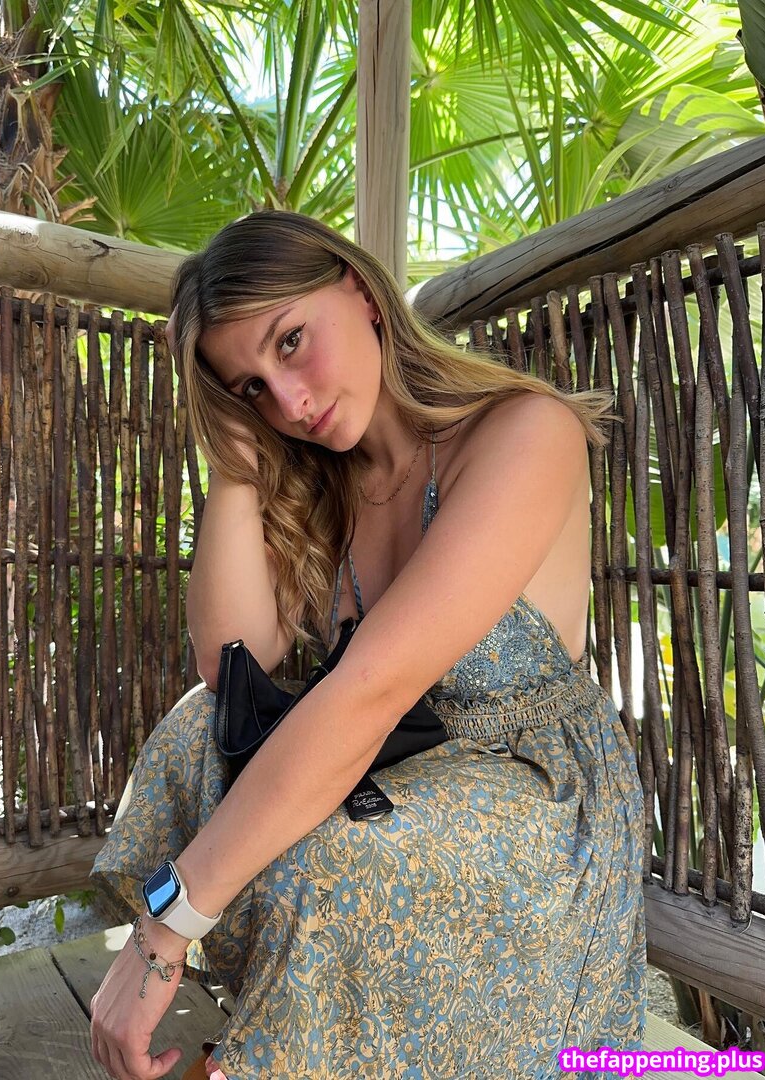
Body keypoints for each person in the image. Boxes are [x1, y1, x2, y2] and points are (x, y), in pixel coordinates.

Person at [89, 209, 646, 1080]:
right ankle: (297, 1028)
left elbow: (370, 690)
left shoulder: (524, 432)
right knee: (194, 735)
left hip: (534, 797)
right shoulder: (331, 485)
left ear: (361, 290)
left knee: (328, 862)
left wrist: (165, 930)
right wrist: (235, 458)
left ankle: (271, 1053)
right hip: (398, 768)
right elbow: (229, 662)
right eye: (251, 388)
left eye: (291, 342)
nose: (291, 402)